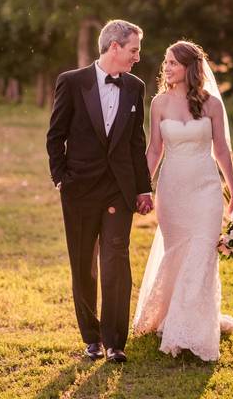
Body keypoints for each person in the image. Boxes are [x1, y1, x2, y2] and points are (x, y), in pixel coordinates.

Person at [45, 19, 154, 364]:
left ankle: (115, 342)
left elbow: (137, 143)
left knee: (116, 261)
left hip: (118, 192)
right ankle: (91, 338)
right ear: (115, 47)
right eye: (134, 49)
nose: (138, 56)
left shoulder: (135, 87)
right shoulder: (72, 82)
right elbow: (55, 134)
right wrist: (61, 177)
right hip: (78, 190)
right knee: (83, 265)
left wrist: (142, 188)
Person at [133, 40, 233, 360]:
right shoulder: (159, 104)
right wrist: (143, 188)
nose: (165, 68)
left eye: (172, 63)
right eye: (165, 62)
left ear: (189, 68)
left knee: (202, 253)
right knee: (177, 252)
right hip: (173, 190)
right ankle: (171, 316)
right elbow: (155, 150)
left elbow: (222, 150)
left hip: (206, 188)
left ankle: (192, 327)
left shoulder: (211, 104)